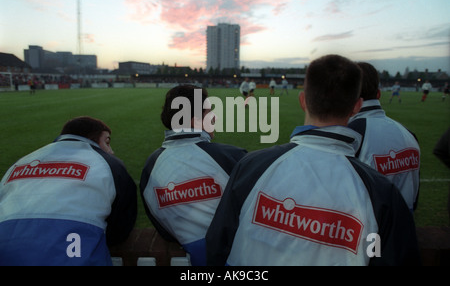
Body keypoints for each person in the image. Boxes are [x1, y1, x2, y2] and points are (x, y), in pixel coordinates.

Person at [206, 55, 420, 266]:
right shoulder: (382, 193)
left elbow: (217, 245)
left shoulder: (251, 166)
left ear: (303, 100)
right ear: (357, 106)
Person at [0, 116, 137, 266]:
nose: (111, 151)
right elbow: (121, 227)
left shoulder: (20, 162)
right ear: (92, 138)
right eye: (107, 142)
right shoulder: (109, 163)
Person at [140, 85, 247, 266]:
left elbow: (163, 229)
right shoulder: (232, 157)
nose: (215, 117)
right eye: (209, 111)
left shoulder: (150, 166)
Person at [348, 62, 421, 212]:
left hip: (370, 231)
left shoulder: (350, 134)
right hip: (405, 227)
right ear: (379, 94)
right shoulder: (408, 134)